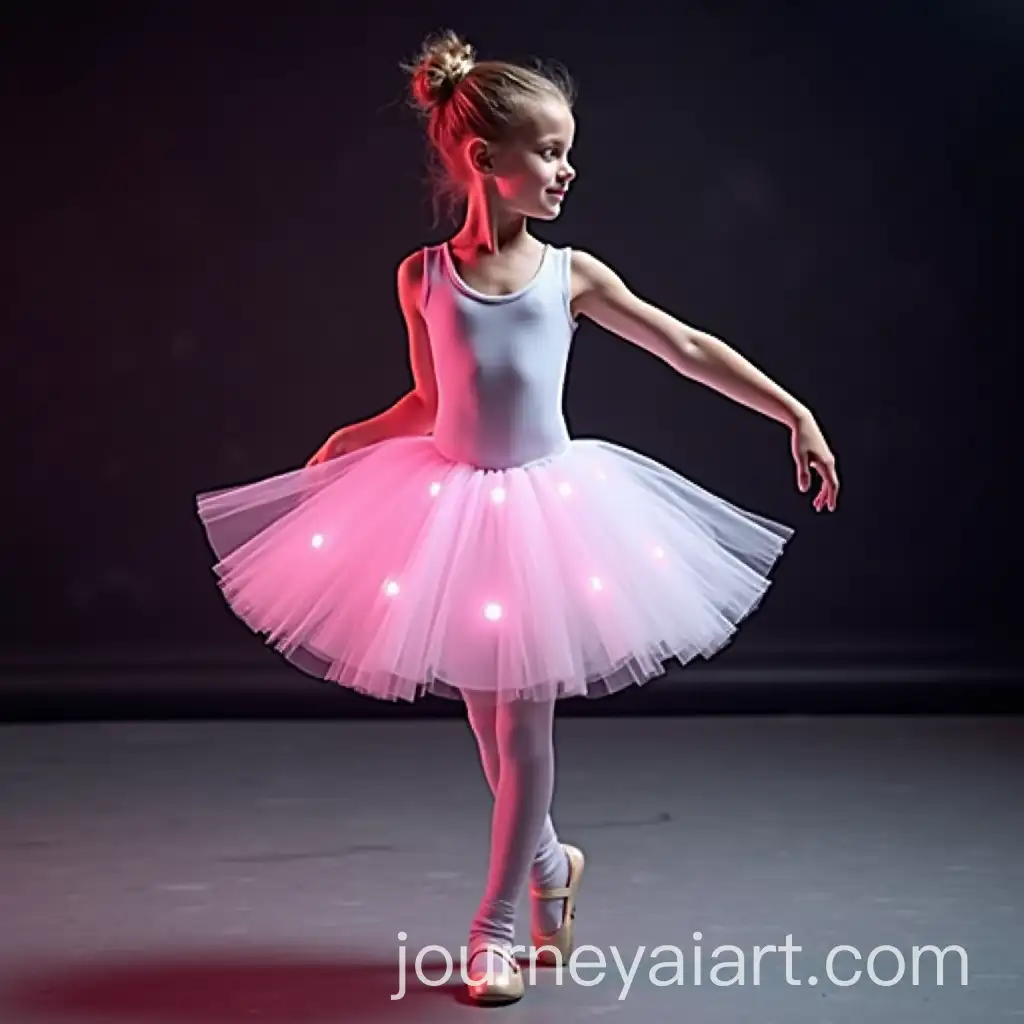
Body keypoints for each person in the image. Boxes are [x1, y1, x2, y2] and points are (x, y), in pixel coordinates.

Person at [195, 29, 840, 1006]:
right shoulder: (422, 276)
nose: (566, 169)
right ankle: (549, 864)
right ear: (482, 158)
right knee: (489, 731)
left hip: (547, 513)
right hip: (450, 508)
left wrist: (792, 411)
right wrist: (353, 436)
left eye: (567, 150)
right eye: (548, 151)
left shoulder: (570, 275)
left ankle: (494, 926)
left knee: (524, 732)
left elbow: (683, 345)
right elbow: (430, 401)